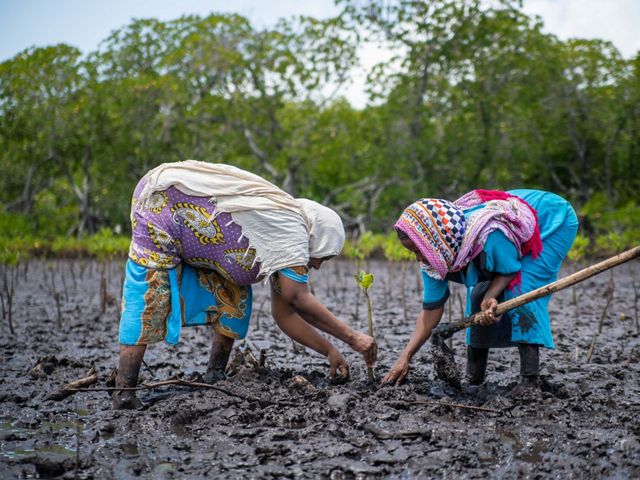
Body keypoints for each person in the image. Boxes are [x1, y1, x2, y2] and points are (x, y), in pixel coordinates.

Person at [113, 160, 377, 409]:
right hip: (162, 200)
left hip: (179, 211)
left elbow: (284, 314)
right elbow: (298, 298)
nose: (318, 265)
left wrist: (330, 351)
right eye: (325, 257)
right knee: (150, 293)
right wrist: (352, 338)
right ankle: (125, 392)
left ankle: (215, 374)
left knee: (235, 292)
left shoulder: (280, 241)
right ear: (318, 239)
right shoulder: (293, 231)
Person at [382, 189, 578, 395]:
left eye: (418, 251)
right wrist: (405, 357)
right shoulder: (434, 257)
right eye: (413, 252)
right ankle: (474, 377)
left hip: (552, 218)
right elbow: (431, 309)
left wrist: (490, 296)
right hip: (508, 237)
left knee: (520, 290)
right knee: (477, 297)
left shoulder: (489, 237)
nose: (418, 259)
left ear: (433, 241)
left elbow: (510, 270)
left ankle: (530, 380)